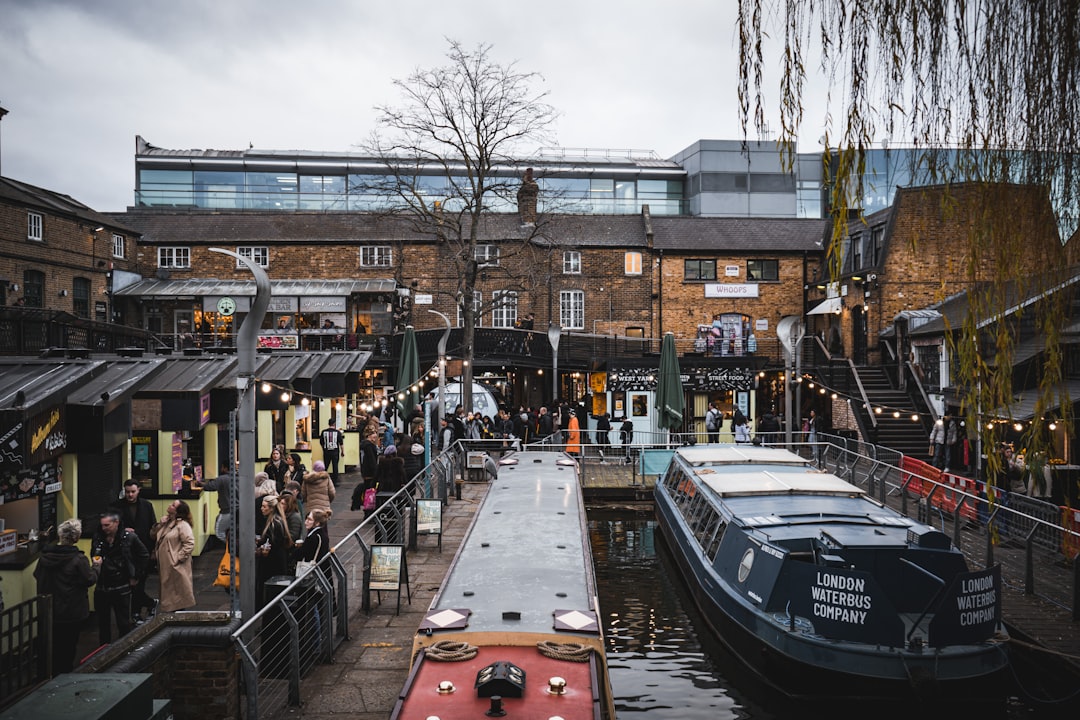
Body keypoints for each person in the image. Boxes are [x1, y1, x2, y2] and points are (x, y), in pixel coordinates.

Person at [35, 518, 98, 675]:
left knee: (51, 645)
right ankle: (63, 675)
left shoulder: (45, 557)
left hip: (49, 609)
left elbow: (37, 575)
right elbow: (89, 579)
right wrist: (97, 567)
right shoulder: (78, 559)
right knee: (68, 646)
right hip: (71, 610)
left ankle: (47, 675)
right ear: (76, 537)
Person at [91, 511, 150, 644]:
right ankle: (103, 653)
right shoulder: (98, 538)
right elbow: (94, 554)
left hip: (121, 586)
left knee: (123, 623)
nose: (104, 528)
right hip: (102, 587)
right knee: (103, 624)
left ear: (116, 523)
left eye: (107, 525)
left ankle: (124, 650)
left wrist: (136, 575)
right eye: (102, 525)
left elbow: (144, 555)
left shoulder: (129, 537)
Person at [111, 479, 157, 622]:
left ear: (138, 491)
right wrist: (122, 530)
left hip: (143, 551)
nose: (130, 495)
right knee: (131, 585)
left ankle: (136, 612)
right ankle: (148, 604)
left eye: (133, 491)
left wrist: (154, 550)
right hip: (124, 552)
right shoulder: (116, 507)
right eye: (127, 492)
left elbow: (152, 527)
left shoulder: (147, 506)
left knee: (139, 583)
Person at [153, 500, 196, 613]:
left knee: (177, 596)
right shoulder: (167, 523)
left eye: (173, 505)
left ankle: (176, 621)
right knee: (170, 594)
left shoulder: (183, 525)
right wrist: (160, 524)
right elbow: (153, 535)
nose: (169, 505)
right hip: (166, 565)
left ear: (178, 511)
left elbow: (189, 543)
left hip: (175, 566)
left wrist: (178, 558)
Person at [255, 494, 293, 607]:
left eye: (264, 507)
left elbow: (272, 543)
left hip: (272, 564)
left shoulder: (274, 524)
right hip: (277, 561)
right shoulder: (277, 521)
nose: (262, 509)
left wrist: (261, 546)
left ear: (271, 508)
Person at [319, 417, 345, 486]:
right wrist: (342, 451)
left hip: (326, 451)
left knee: (325, 466)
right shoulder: (337, 432)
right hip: (335, 452)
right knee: (335, 467)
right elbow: (341, 443)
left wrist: (324, 449)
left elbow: (321, 442)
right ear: (334, 424)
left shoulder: (323, 432)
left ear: (328, 424)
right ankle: (334, 482)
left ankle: (322, 479)